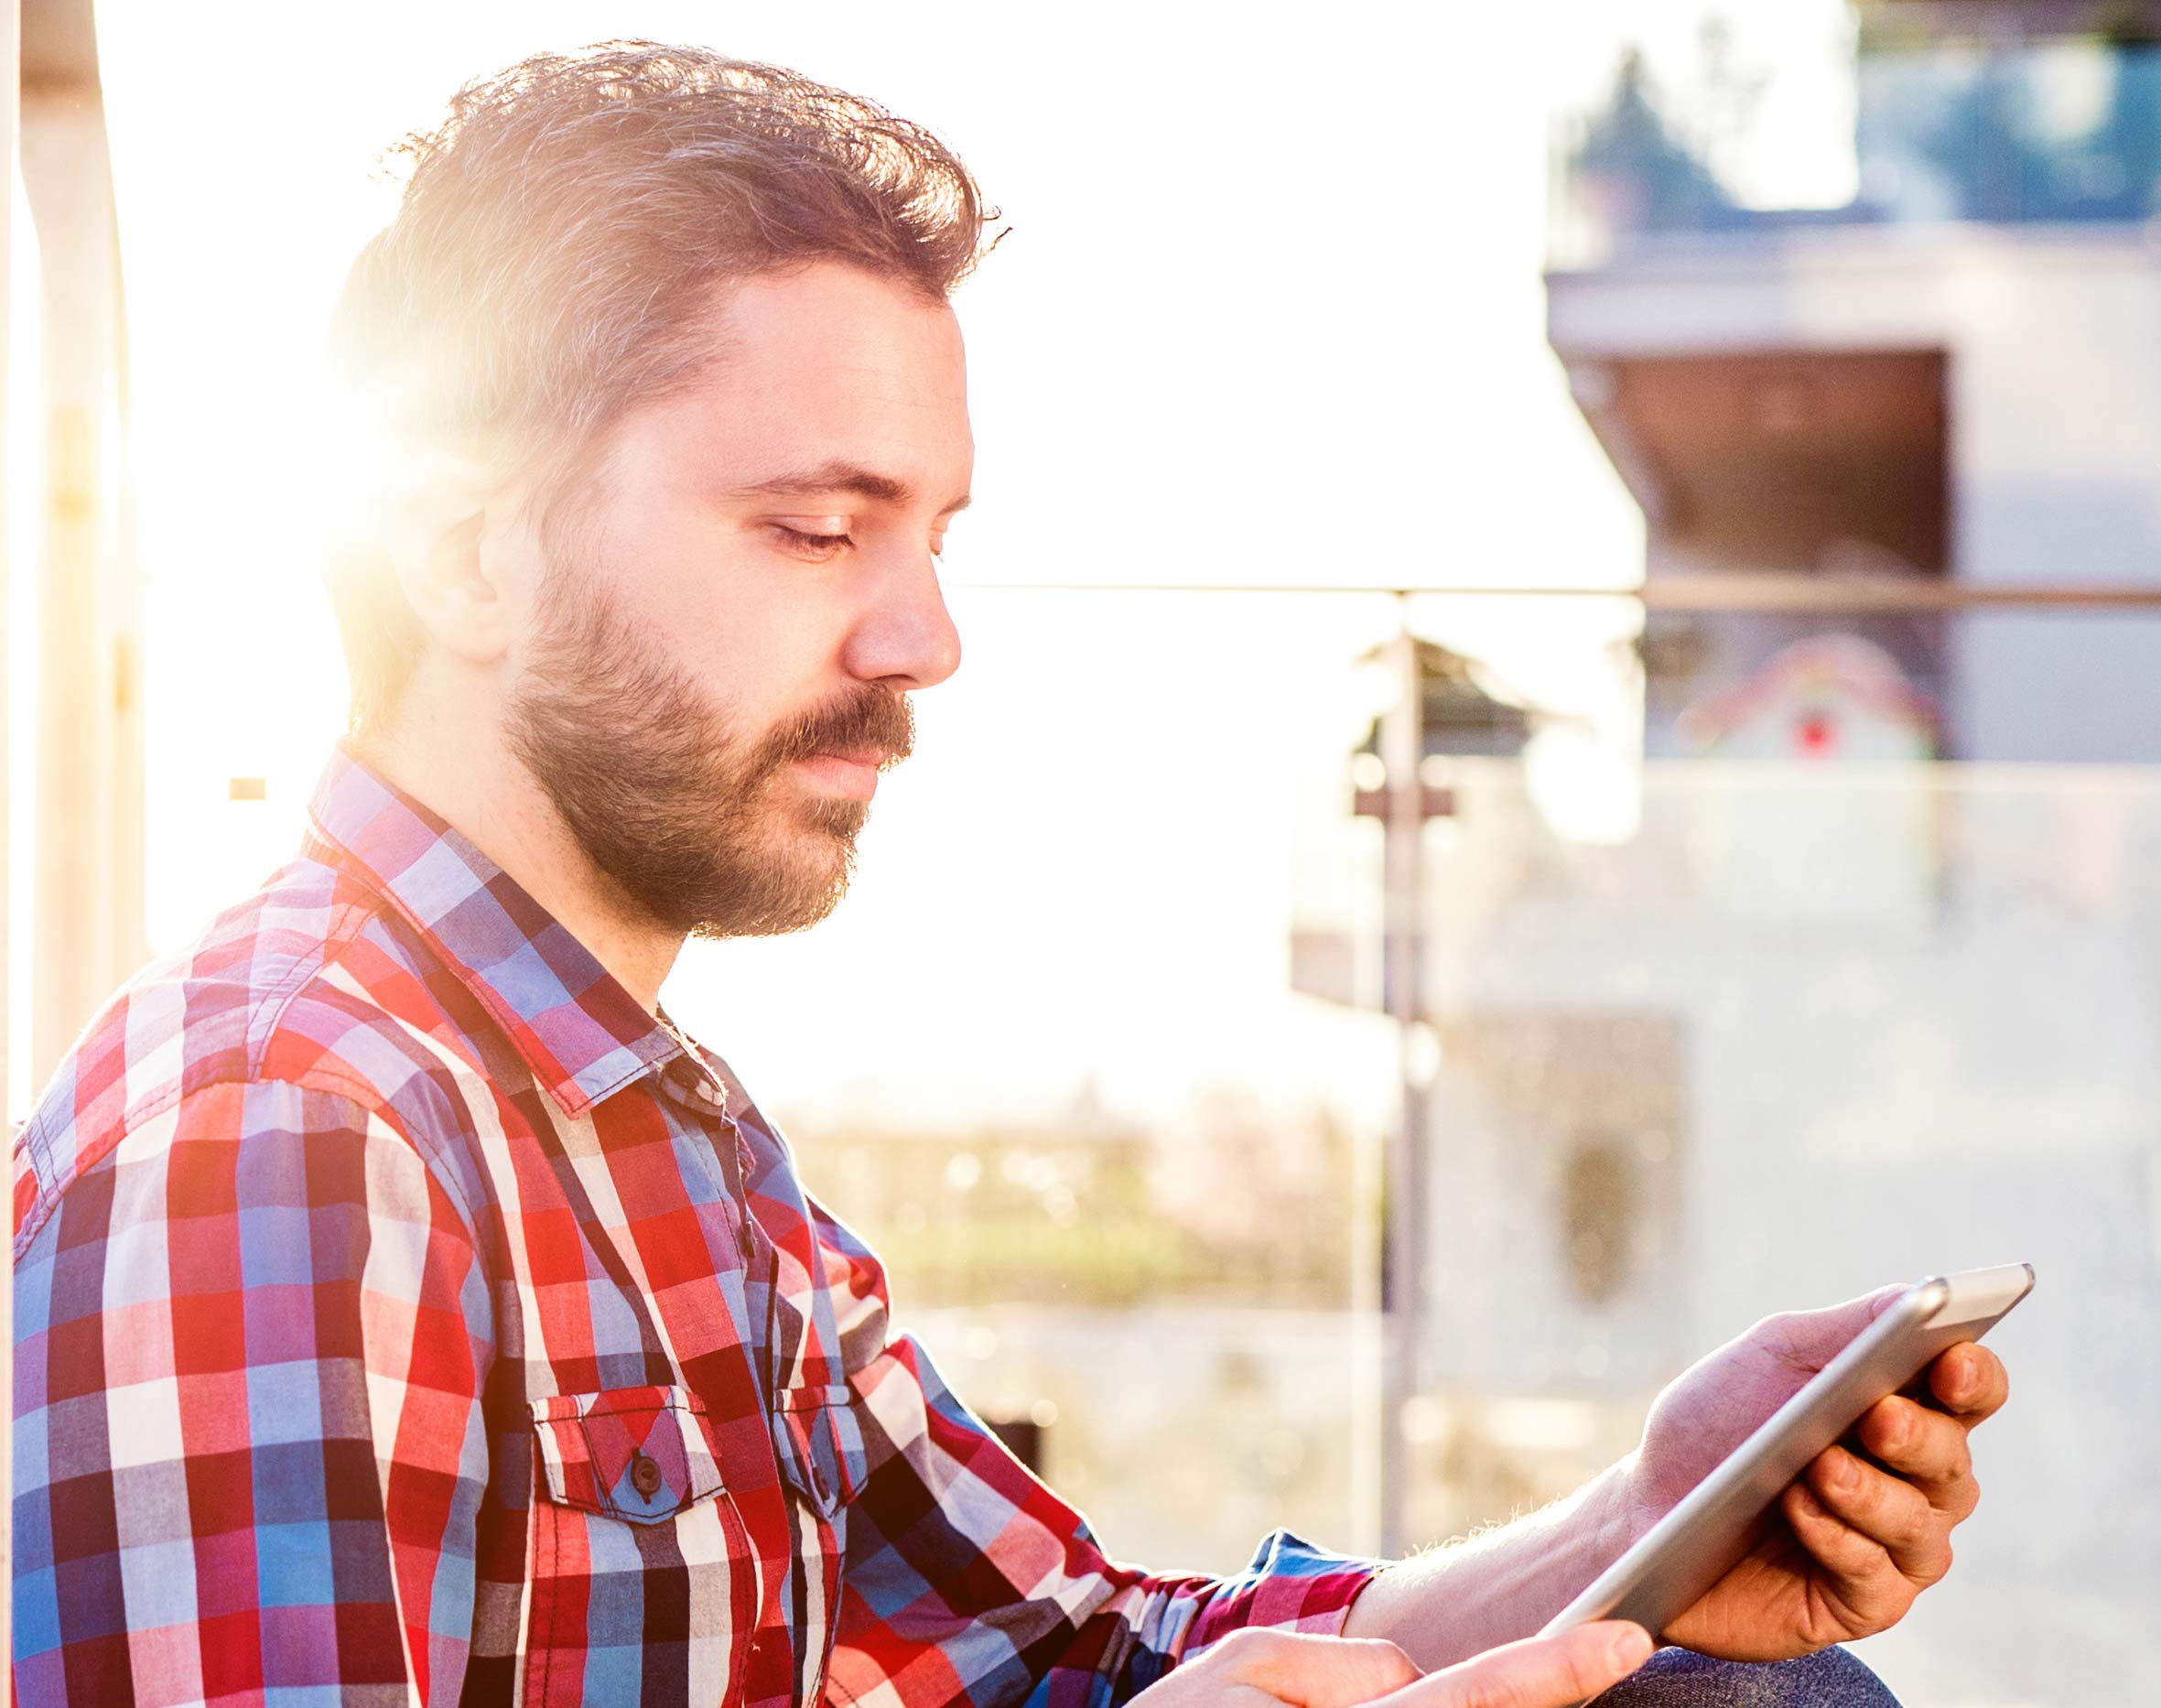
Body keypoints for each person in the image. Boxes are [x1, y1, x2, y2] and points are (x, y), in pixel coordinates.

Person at [10, 44, 2007, 1708]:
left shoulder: (669, 1141)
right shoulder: (279, 1131)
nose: (921, 639)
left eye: (932, 538)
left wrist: (1640, 1525)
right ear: (465, 554)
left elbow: (1073, 1651)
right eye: (814, 530)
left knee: (1730, 1684)